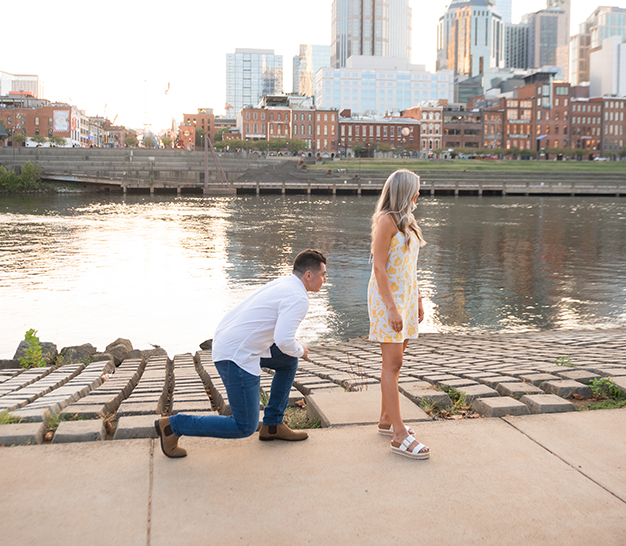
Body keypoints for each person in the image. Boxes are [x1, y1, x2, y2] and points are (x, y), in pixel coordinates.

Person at [155, 249, 327, 458]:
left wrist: (294, 349)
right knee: (244, 425)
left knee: (288, 360)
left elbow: (277, 332)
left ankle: (273, 424)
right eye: (323, 274)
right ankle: (173, 426)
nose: (324, 280)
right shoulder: (299, 297)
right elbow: (283, 340)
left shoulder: (286, 284)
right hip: (235, 355)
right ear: (308, 275)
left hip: (230, 342)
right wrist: (301, 350)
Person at [368, 170, 430, 460]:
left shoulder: (409, 222)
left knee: (396, 363)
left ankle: (385, 419)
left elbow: (411, 268)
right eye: (417, 190)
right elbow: (379, 268)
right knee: (392, 365)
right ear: (406, 192)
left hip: (404, 300)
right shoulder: (386, 221)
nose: (420, 194)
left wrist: (417, 300)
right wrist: (392, 307)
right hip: (387, 301)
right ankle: (398, 434)